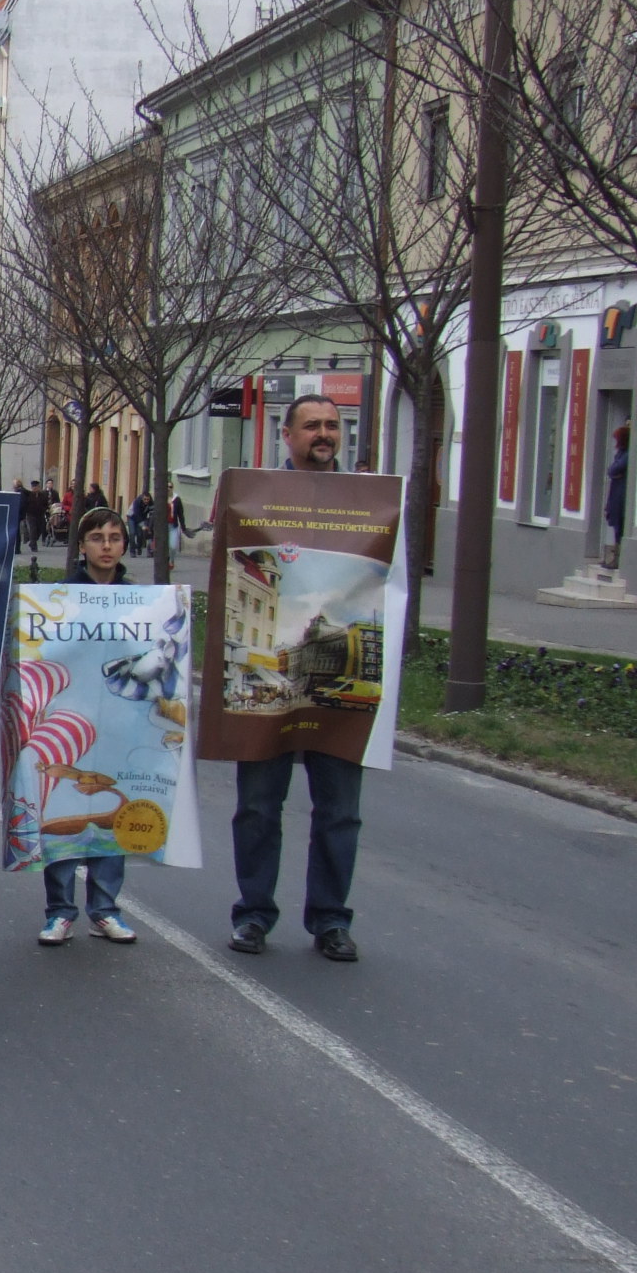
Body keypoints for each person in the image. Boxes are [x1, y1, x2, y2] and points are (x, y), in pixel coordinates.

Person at [230, 395, 365, 964]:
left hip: (337, 682)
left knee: (340, 811)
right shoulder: (259, 499)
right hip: (270, 675)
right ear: (286, 435)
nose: (324, 434)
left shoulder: (366, 504)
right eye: (312, 426)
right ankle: (253, 913)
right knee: (259, 805)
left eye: (332, 425)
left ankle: (330, 919)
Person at [39, 508, 142, 947]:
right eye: (97, 537)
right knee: (63, 813)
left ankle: (105, 910)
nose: (107, 545)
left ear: (124, 545)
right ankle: (60, 912)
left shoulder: (142, 601)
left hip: (119, 721)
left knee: (110, 813)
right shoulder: (60, 599)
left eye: (115, 538)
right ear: (82, 545)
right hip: (70, 719)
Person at [602, 423, 631, 571]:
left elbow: (616, 468)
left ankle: (618, 559)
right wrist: (614, 472)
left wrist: (615, 472)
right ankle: (615, 557)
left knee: (620, 526)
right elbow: (612, 470)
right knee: (616, 527)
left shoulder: (627, 454)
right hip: (616, 493)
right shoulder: (621, 453)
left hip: (621, 495)